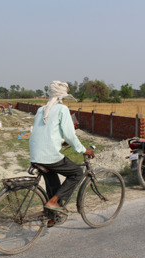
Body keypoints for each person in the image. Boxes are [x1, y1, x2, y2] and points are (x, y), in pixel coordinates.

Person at [29, 81, 95, 217]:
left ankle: (52, 216)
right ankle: (53, 202)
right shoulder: (62, 109)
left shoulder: (41, 109)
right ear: (61, 97)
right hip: (49, 156)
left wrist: (60, 141)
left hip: (36, 155)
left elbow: (44, 132)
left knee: (53, 182)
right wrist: (83, 150)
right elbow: (70, 135)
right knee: (77, 172)